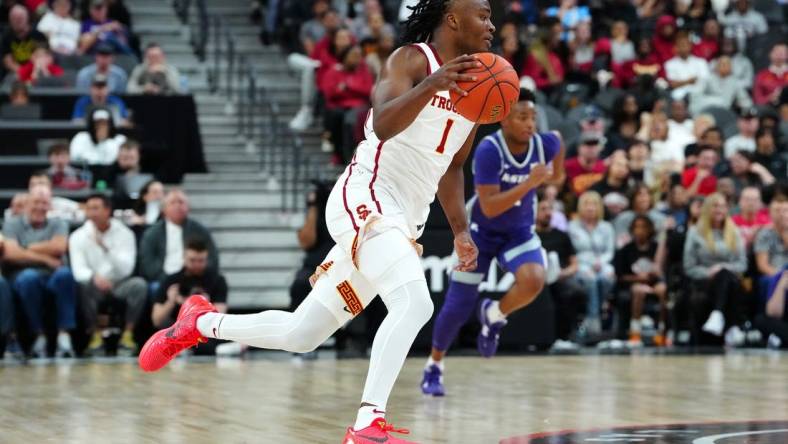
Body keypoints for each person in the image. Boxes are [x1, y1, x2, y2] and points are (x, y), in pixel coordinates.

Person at [139, 0, 495, 441]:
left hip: (406, 220)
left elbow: (454, 167)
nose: (492, 25)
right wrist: (434, 83)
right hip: (366, 196)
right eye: (483, 15)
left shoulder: (480, 89)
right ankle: (367, 423)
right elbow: (381, 124)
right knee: (415, 303)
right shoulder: (411, 60)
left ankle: (199, 323)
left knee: (302, 333)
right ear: (453, 18)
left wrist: (460, 230)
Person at [422, 89, 565, 396]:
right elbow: (489, 207)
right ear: (504, 120)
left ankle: (494, 315)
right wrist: (530, 182)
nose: (530, 124)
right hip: (479, 234)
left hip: (518, 232)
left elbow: (558, 146)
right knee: (458, 306)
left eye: (533, 117)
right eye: (522, 117)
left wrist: (553, 176)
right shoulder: (489, 150)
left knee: (534, 279)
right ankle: (434, 366)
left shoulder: (544, 144)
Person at [2, 186, 76, 358]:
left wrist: (26, 249)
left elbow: (58, 247)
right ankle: (39, 336)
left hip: (52, 276)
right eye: (36, 202)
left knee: (65, 274)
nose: (40, 207)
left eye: (45, 203)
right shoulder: (12, 224)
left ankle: (64, 336)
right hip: (21, 276)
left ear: (50, 206)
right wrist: (46, 259)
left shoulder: (59, 223)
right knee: (30, 278)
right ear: (27, 203)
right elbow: (11, 254)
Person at [69, 193, 147, 353]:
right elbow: (78, 270)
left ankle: (128, 335)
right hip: (93, 285)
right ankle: (95, 336)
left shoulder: (125, 233)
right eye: (89, 209)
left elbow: (127, 268)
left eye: (96, 208)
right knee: (83, 285)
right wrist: (94, 277)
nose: (92, 213)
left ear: (107, 210)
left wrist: (107, 248)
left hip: (119, 283)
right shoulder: (77, 236)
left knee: (139, 285)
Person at [683, 193, 748, 341]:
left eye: (723, 206)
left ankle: (717, 315)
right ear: (707, 209)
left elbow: (742, 264)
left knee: (725, 276)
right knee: (726, 279)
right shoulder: (695, 232)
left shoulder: (734, 232)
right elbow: (689, 266)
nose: (719, 210)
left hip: (730, 279)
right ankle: (732, 327)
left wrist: (722, 267)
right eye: (715, 206)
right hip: (704, 281)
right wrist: (708, 272)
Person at [138, 189, 218, 283]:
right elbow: (147, 264)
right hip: (161, 280)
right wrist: (167, 280)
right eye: (172, 202)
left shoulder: (200, 231)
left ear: (188, 207)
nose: (177, 206)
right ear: (163, 209)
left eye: (181, 202)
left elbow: (212, 259)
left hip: (194, 279)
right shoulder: (151, 233)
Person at [535, 194, 583, 349]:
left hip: (560, 276)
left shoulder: (562, 235)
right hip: (536, 277)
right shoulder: (529, 235)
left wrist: (565, 273)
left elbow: (575, 264)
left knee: (575, 291)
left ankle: (565, 336)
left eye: (550, 209)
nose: (548, 213)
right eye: (543, 209)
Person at [151, 239, 228, 335]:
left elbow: (219, 319)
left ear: (206, 259)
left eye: (200, 261)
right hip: (175, 331)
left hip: (204, 333)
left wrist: (205, 306)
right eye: (192, 260)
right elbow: (157, 321)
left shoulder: (217, 280)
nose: (196, 265)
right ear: (184, 258)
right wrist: (171, 302)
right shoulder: (171, 281)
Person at [614, 215, 667, 346]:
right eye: (637, 227)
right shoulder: (626, 250)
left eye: (643, 227)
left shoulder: (656, 248)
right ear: (632, 229)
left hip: (653, 282)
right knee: (639, 290)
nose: (640, 230)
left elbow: (662, 271)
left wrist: (653, 274)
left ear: (650, 229)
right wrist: (638, 278)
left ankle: (662, 331)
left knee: (663, 290)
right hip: (633, 284)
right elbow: (620, 275)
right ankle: (635, 331)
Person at [569, 190, 616, 335]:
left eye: (594, 204)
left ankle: (597, 310)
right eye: (586, 204)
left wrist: (600, 262)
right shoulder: (572, 226)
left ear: (599, 207)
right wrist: (588, 264)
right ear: (580, 207)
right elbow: (572, 252)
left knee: (607, 277)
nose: (590, 208)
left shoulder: (606, 227)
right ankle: (595, 318)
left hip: (602, 262)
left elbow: (610, 251)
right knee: (591, 279)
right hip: (581, 264)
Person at [321, 44, 374, 164]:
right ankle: (337, 154)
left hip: (359, 107)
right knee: (335, 116)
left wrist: (348, 87)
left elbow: (367, 91)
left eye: (360, 56)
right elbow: (330, 93)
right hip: (339, 106)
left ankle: (350, 158)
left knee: (350, 120)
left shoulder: (364, 72)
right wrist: (353, 91)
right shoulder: (333, 71)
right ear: (344, 57)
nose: (358, 59)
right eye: (354, 55)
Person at [1, 5, 47, 75]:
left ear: (27, 18)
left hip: (36, 71)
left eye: (20, 18)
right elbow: (8, 62)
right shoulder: (6, 37)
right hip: (13, 74)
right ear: (10, 20)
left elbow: (42, 56)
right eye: (14, 18)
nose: (18, 21)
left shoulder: (38, 35)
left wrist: (31, 73)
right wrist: (23, 72)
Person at [664, 31, 709, 101]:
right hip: (679, 96)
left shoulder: (701, 62)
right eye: (680, 44)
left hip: (698, 95)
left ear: (690, 46)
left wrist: (682, 82)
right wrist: (689, 81)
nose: (683, 47)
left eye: (685, 44)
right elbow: (673, 85)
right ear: (676, 47)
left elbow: (705, 81)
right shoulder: (669, 64)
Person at [112, 140, 153, 210]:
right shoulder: (109, 173)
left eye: (131, 158)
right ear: (118, 157)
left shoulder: (148, 171)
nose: (128, 161)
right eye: (124, 158)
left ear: (139, 156)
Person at [564, 131, 606, 196]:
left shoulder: (604, 167)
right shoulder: (567, 166)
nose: (591, 148)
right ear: (579, 148)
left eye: (595, 144)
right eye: (587, 144)